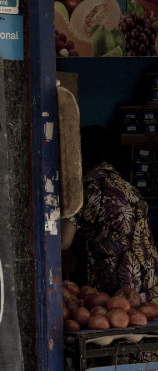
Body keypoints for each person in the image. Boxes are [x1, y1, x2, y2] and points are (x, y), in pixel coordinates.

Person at [61, 125, 158, 303]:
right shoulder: (130, 188)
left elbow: (63, 241)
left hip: (115, 291)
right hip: (149, 288)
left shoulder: (85, 188)